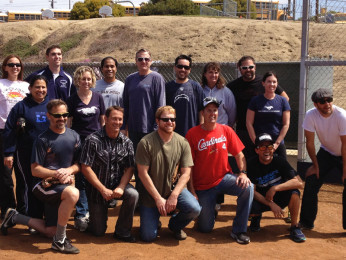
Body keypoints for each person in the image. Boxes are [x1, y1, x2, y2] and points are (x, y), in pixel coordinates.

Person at [1, 99, 81, 254]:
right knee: (73, 193)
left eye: (65, 115)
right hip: (43, 187)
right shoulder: (42, 139)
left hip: (61, 189)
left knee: (50, 231)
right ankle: (60, 241)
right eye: (57, 115)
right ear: (48, 116)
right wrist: (58, 174)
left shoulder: (74, 136)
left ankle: (15, 217)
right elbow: (35, 170)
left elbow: (78, 164)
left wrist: (69, 170)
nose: (62, 118)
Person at [186, 97, 253, 244]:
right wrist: (192, 190)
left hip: (223, 179)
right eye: (208, 110)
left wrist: (243, 173)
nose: (212, 113)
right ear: (202, 113)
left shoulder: (226, 130)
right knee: (205, 228)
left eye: (215, 110)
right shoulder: (192, 134)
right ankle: (209, 211)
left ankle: (239, 230)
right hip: (203, 186)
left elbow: (239, 155)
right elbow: (188, 166)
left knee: (248, 187)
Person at [136, 106, 201, 242]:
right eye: (165, 119)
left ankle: (175, 225)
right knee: (148, 236)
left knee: (194, 208)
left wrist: (174, 195)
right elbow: (143, 174)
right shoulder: (146, 142)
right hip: (150, 195)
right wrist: (158, 198)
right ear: (157, 121)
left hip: (173, 190)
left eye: (172, 119)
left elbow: (186, 173)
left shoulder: (182, 142)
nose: (169, 122)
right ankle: (153, 219)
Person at [80, 106, 138, 241]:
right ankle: (90, 220)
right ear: (105, 119)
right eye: (114, 119)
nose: (117, 122)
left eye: (120, 119)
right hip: (97, 189)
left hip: (117, 184)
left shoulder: (127, 142)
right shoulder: (92, 140)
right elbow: (85, 167)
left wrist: (121, 187)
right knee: (98, 231)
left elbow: (130, 168)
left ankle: (122, 231)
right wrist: (102, 189)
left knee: (133, 194)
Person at [3, 75, 50, 229]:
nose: (40, 90)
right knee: (29, 184)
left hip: (48, 154)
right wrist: (9, 153)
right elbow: (9, 130)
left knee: (47, 184)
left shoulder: (51, 106)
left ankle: (47, 217)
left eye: (43, 87)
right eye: (37, 87)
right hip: (25, 153)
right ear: (30, 89)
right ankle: (32, 219)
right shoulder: (21, 107)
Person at [299, 88, 346, 230]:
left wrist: (345, 169)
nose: (327, 104)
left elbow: (345, 144)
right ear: (315, 104)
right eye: (322, 101)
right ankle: (306, 222)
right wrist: (315, 165)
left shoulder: (342, 116)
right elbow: (310, 143)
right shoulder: (311, 115)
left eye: (329, 100)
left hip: (344, 153)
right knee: (312, 180)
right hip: (326, 152)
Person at [66, 66, 105, 232]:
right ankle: (82, 213)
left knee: (96, 176)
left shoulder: (98, 97)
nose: (86, 82)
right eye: (83, 79)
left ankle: (96, 212)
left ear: (92, 81)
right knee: (81, 177)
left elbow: (102, 121)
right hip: (80, 142)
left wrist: (102, 140)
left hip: (96, 142)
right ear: (78, 80)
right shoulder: (72, 99)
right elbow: (68, 123)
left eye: (89, 79)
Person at [227, 56, 289, 159]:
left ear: (255, 67)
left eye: (251, 67)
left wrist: (272, 115)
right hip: (244, 130)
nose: (248, 70)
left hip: (264, 130)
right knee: (248, 162)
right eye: (244, 67)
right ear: (239, 68)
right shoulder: (233, 86)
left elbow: (285, 98)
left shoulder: (266, 81)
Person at [247, 133, 306, 242]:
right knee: (247, 203)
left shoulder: (280, 161)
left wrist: (275, 188)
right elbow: (253, 191)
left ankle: (294, 227)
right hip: (262, 200)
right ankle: (256, 217)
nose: (267, 150)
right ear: (257, 150)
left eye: (269, 147)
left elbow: (299, 183)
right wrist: (271, 204)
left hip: (278, 197)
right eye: (263, 147)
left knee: (294, 193)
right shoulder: (251, 164)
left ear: (273, 149)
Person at [0, 55, 29, 219]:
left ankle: (24, 209)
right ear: (5, 67)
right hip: (4, 132)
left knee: (23, 172)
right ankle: (8, 208)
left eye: (17, 64)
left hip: (23, 133)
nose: (15, 67)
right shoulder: (0, 84)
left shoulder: (26, 86)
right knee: (5, 173)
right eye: (11, 64)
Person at [123, 48, 166, 152]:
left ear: (151, 61)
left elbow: (160, 106)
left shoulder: (157, 78)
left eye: (146, 59)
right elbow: (125, 105)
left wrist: (156, 128)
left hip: (150, 129)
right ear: (136, 61)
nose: (143, 61)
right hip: (133, 129)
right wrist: (124, 126)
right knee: (135, 159)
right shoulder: (130, 79)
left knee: (150, 160)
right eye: (140, 59)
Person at [246, 71, 290, 159]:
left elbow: (286, 124)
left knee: (283, 170)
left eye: (274, 82)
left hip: (277, 143)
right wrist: (256, 142)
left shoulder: (283, 101)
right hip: (260, 144)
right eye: (269, 81)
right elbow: (248, 122)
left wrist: (277, 143)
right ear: (263, 83)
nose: (271, 84)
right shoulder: (255, 100)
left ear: (277, 84)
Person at [165, 54, 204, 137]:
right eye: (180, 66)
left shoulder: (196, 87)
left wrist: (201, 131)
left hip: (192, 134)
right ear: (175, 68)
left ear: (190, 70)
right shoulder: (167, 87)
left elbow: (202, 110)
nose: (183, 69)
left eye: (186, 67)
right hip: (172, 135)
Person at [201, 62, 236, 128]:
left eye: (216, 72)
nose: (213, 75)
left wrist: (227, 128)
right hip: (204, 130)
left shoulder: (226, 91)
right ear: (205, 74)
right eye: (210, 72)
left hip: (222, 129)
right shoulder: (200, 90)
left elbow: (232, 114)